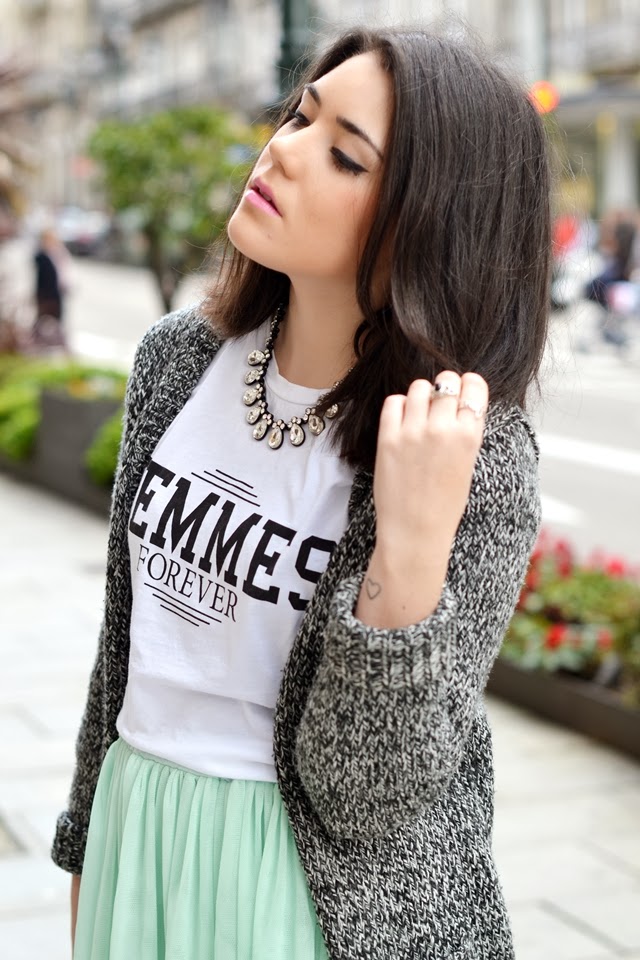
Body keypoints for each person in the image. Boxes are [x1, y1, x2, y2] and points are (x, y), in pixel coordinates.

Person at [52, 26, 551, 960]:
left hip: (306, 893)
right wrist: (86, 845)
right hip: (138, 829)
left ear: (426, 221)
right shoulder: (179, 359)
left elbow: (368, 801)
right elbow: (124, 654)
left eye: (345, 155)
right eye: (298, 116)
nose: (282, 150)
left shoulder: (469, 453)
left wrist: (409, 554)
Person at [32, 227, 69, 348]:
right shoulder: (41, 256)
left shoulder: (56, 254)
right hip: (47, 296)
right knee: (42, 320)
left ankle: (58, 343)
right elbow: (41, 280)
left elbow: (63, 273)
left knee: (55, 321)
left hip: (55, 293)